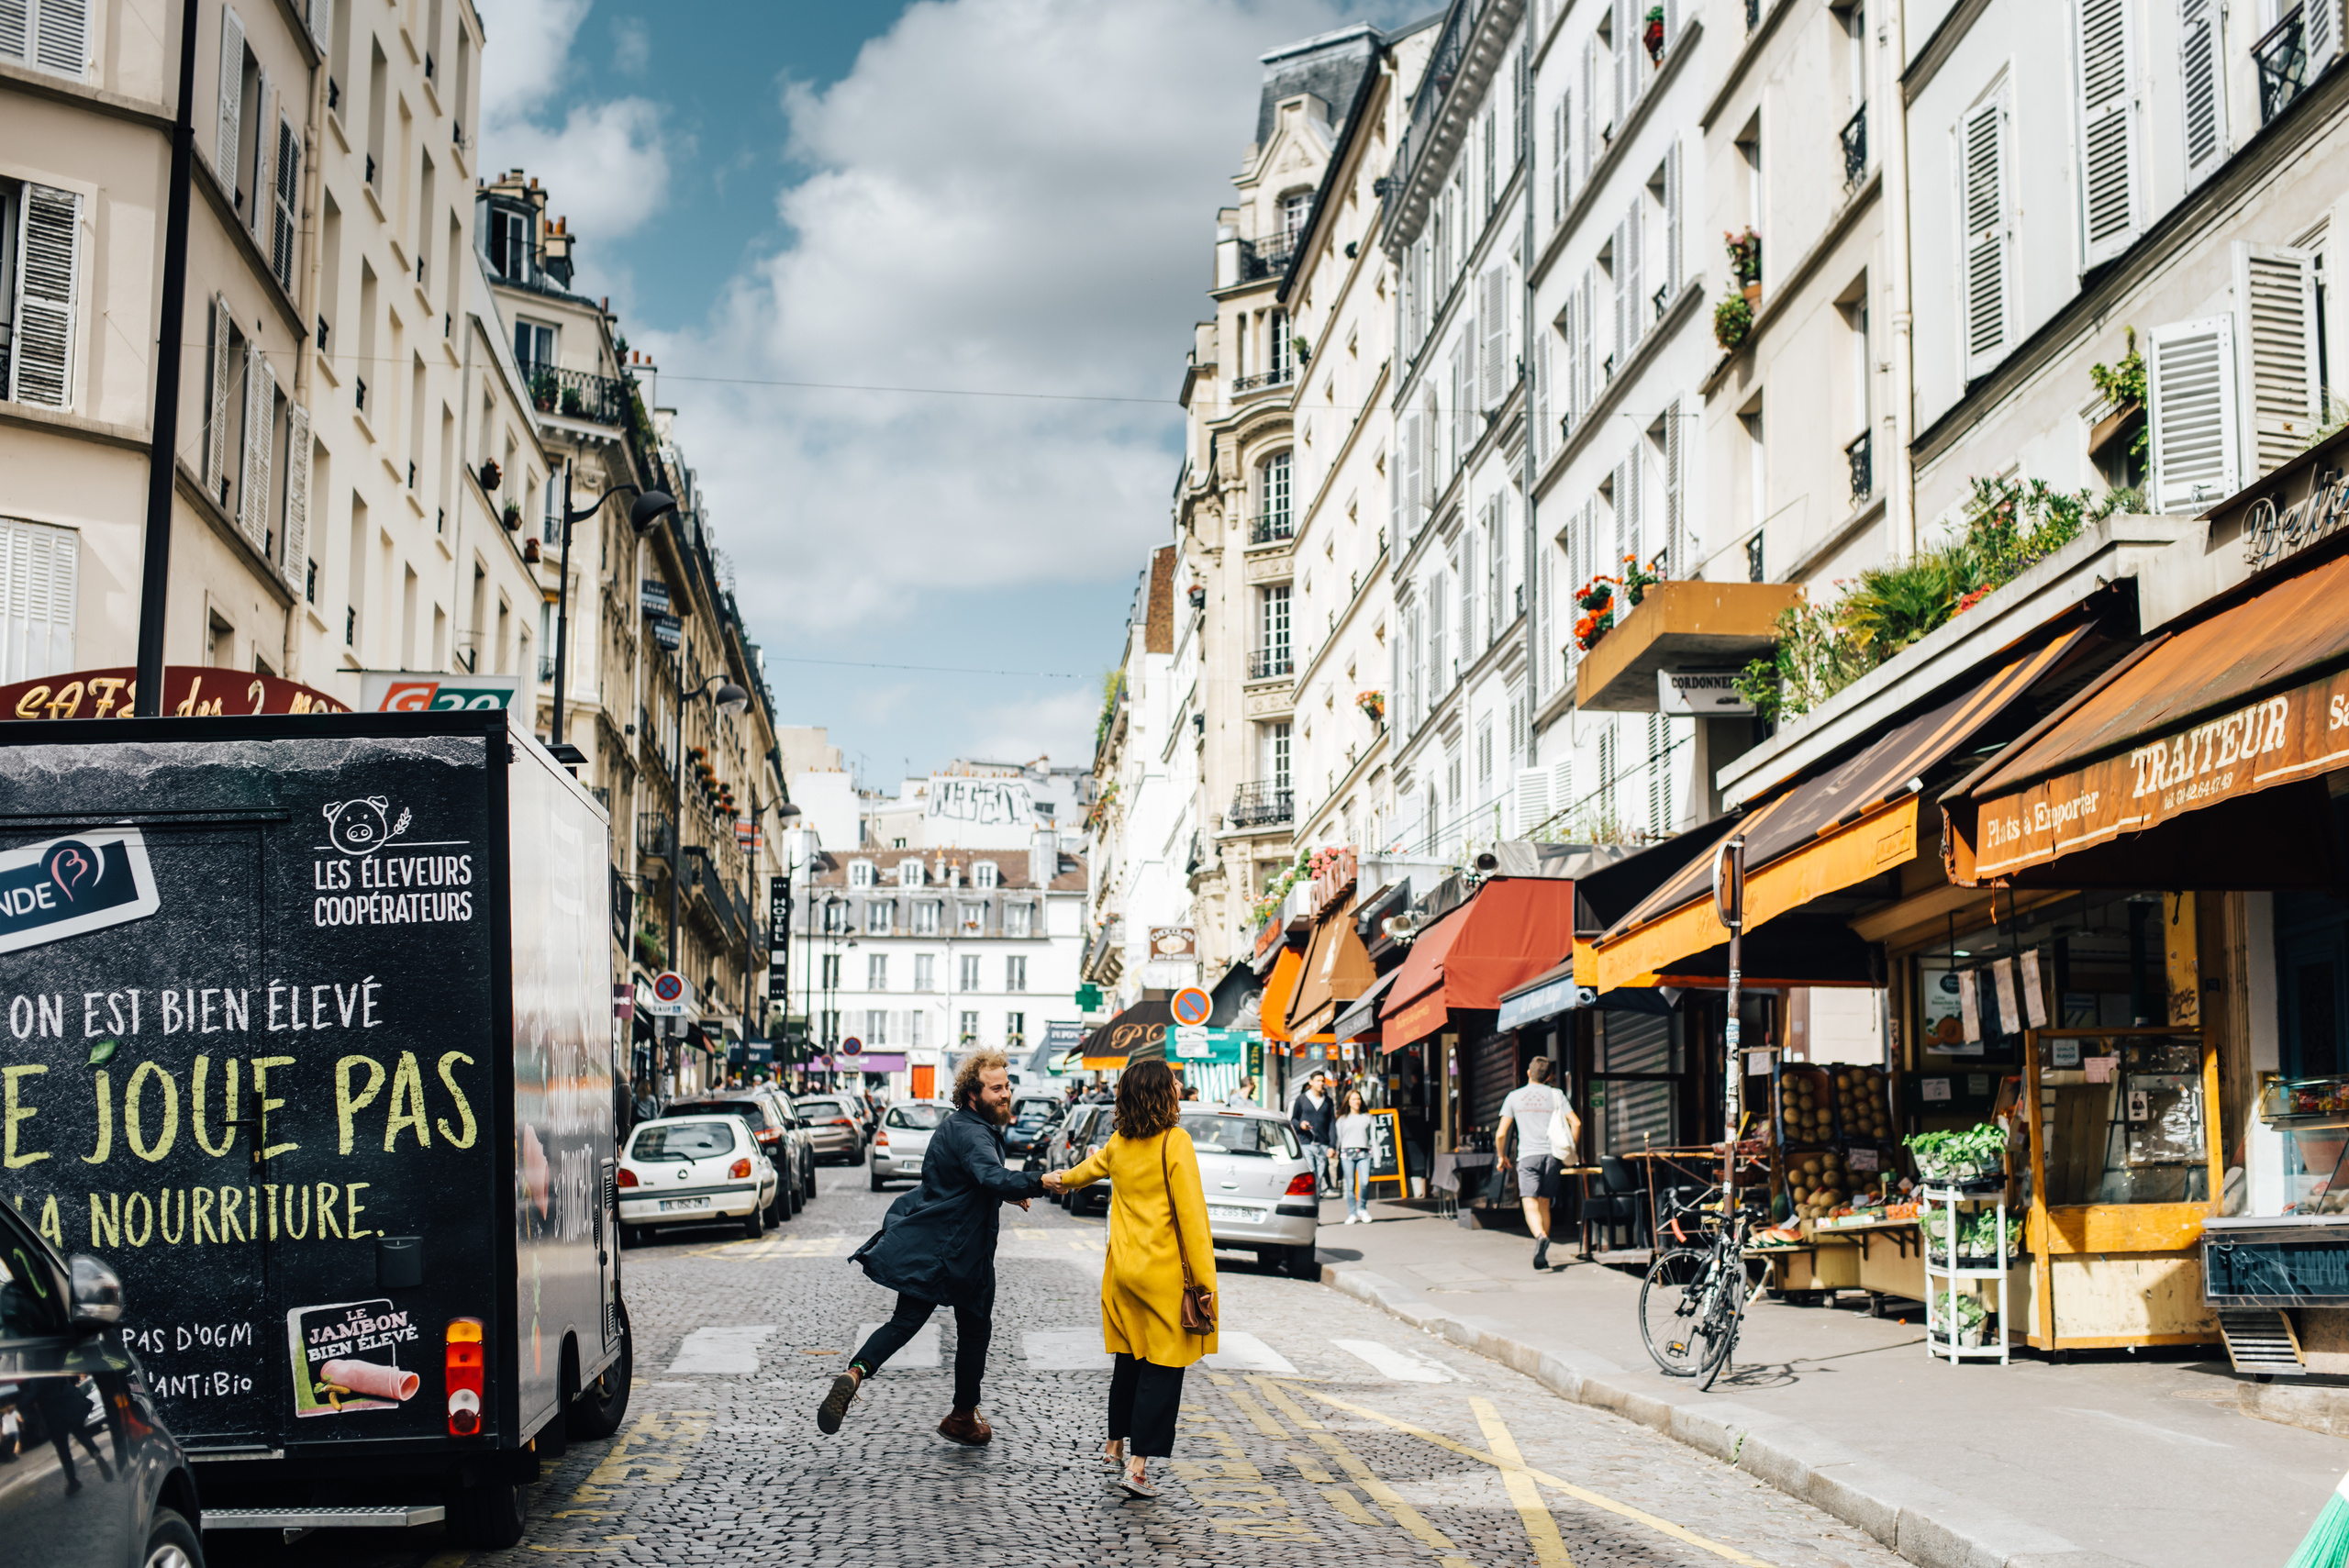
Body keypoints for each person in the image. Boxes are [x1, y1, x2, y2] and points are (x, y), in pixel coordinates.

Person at [819, 1050, 1044, 1446]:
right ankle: (962, 1416)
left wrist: (1004, 1192)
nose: (1006, 1093)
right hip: (964, 1254)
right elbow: (988, 1174)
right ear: (973, 1094)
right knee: (975, 1332)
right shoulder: (976, 1132)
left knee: (904, 1323)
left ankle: (855, 1372)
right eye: (996, 1088)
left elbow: (966, 1181)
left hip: (930, 1249)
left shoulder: (953, 1126)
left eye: (1007, 1086)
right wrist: (1041, 1181)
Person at [1042, 1060, 1217, 1500]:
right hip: (1160, 1277)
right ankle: (1137, 1469)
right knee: (1163, 1367)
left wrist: (1052, 1180)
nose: (1179, 1085)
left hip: (1121, 1273)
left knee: (1129, 1359)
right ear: (1160, 1092)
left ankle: (1114, 1446)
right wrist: (1205, 1285)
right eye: (1173, 1080)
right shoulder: (1176, 1142)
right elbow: (1192, 1220)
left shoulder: (1120, 1142)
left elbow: (1083, 1173)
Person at [1496, 1055, 1579, 1271]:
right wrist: (1570, 1151)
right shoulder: (1556, 1094)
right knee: (1544, 1203)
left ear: (1528, 1073)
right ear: (1549, 1076)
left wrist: (1501, 1156)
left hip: (1528, 1157)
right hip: (1552, 1156)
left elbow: (1501, 1134)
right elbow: (1576, 1123)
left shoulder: (1514, 1097)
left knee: (1529, 1201)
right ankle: (1542, 1247)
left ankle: (1540, 1236)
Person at [1290, 1070, 1336, 1196]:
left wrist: (1332, 1145)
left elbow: (1332, 1123)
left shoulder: (1328, 1101)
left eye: (1322, 1081)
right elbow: (1293, 1119)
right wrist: (1301, 1125)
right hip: (1306, 1142)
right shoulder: (1302, 1099)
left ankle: (1315, 1201)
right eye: (1318, 1081)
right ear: (1311, 1082)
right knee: (1312, 1172)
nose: (1321, 1083)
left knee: (1319, 1176)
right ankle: (1311, 1199)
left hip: (1323, 1143)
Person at [1334, 1089, 1375, 1224]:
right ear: (1348, 1102)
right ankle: (1352, 1213)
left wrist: (1377, 1155)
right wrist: (1335, 1151)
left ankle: (1362, 1208)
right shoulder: (1342, 1119)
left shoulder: (1367, 1117)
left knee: (1364, 1182)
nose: (1356, 1102)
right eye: (1353, 1099)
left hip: (1364, 1153)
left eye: (1358, 1099)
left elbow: (1374, 1138)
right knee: (1350, 1184)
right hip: (1347, 1153)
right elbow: (1338, 1138)